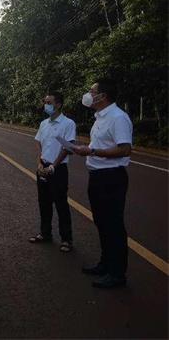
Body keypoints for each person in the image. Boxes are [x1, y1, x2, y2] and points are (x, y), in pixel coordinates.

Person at [73, 79, 132, 289]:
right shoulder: (100, 118)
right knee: (101, 222)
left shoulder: (118, 118)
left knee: (113, 225)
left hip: (111, 177)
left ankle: (117, 274)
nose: (89, 95)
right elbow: (99, 145)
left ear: (103, 96)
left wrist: (92, 151)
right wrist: (87, 149)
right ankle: (105, 264)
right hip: (97, 175)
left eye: (92, 91)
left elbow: (125, 149)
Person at [28, 92, 76, 253]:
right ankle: (45, 233)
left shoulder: (68, 124)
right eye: (45, 102)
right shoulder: (44, 124)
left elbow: (68, 147)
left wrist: (54, 165)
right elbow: (38, 143)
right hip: (43, 167)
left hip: (58, 169)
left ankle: (66, 239)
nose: (46, 105)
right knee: (44, 202)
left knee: (61, 203)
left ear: (58, 104)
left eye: (49, 102)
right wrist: (39, 163)